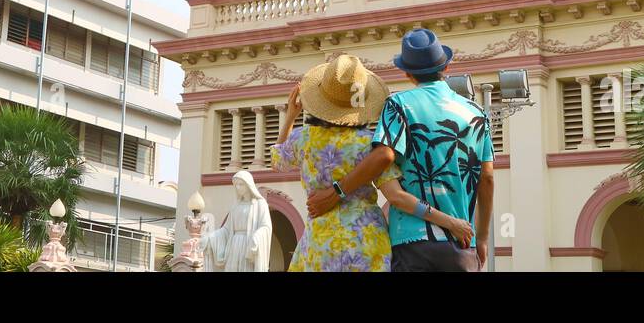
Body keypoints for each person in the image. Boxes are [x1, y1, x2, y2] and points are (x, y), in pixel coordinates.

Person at [307, 29, 494, 272]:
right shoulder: (477, 113)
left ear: (407, 73)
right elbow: (487, 178)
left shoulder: (399, 105)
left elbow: (384, 155)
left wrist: (336, 191)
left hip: (411, 244)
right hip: (461, 242)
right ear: (446, 68)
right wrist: (482, 238)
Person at [273, 53, 474, 271]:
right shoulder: (371, 144)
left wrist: (291, 118)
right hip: (367, 243)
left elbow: (278, 161)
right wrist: (451, 223)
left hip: (321, 244)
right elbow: (397, 197)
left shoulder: (303, 139)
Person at [204, 169, 273, 271]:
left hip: (248, 244)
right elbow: (226, 230)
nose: (238, 187)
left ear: (248, 185)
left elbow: (266, 226)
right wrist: (211, 237)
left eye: (241, 184)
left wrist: (257, 236)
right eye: (236, 185)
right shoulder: (235, 206)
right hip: (234, 245)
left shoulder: (260, 204)